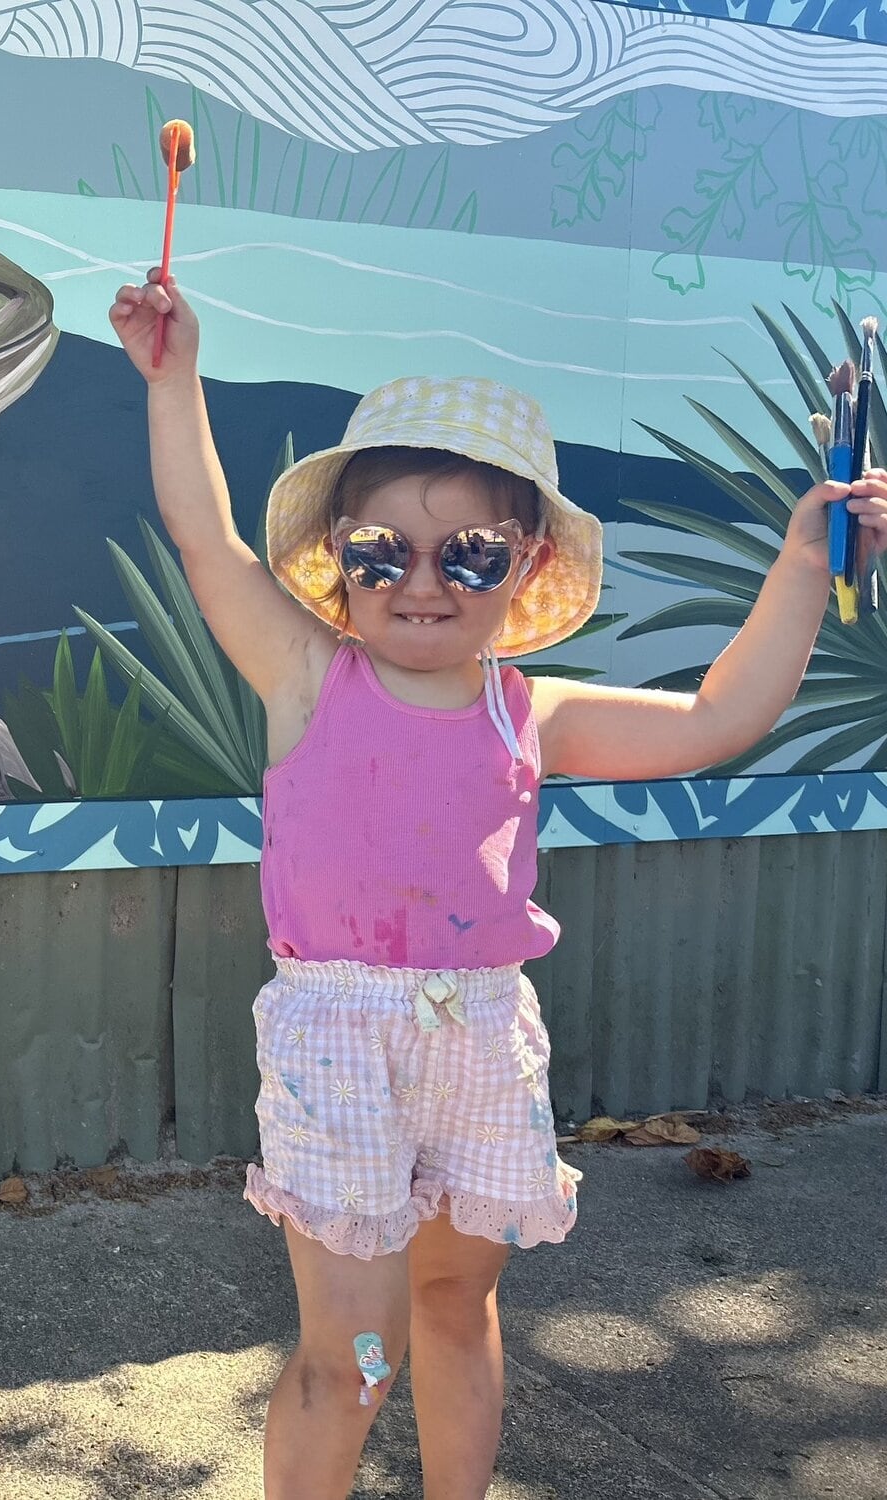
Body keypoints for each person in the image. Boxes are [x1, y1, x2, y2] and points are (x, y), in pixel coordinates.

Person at [109, 271, 887, 1498]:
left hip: (480, 1039)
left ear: (521, 566)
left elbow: (715, 715)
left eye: (468, 554)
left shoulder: (535, 712)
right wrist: (171, 380)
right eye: (382, 550)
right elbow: (204, 535)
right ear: (337, 559)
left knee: (456, 1308)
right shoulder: (307, 676)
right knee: (353, 1359)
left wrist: (801, 560)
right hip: (337, 1046)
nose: (421, 581)